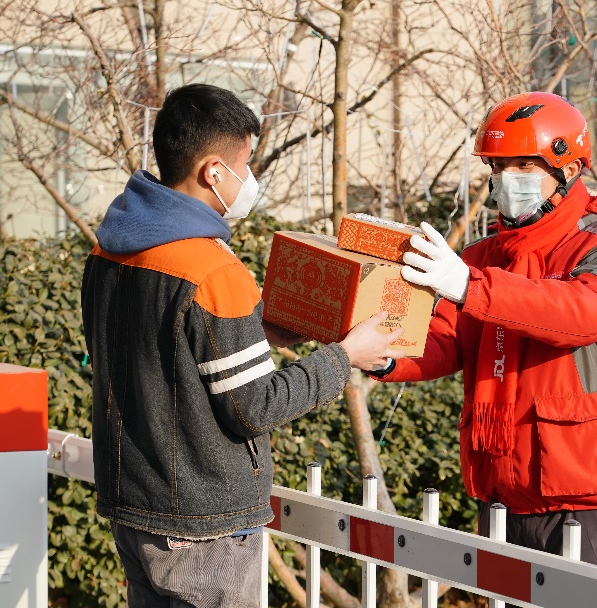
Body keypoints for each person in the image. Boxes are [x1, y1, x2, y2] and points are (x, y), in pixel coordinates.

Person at [81, 83, 404, 607]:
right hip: (203, 523)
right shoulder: (212, 269)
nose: (250, 179)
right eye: (246, 163)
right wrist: (347, 356)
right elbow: (253, 407)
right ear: (213, 171)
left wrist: (261, 332)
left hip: (133, 502)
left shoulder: (108, 249)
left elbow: (160, 356)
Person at [370, 92, 597, 574]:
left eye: (524, 166)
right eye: (498, 169)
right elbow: (445, 339)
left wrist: (466, 284)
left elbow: (581, 313)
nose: (507, 181)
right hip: (503, 489)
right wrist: (381, 353)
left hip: (589, 495)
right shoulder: (485, 257)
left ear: (568, 168)